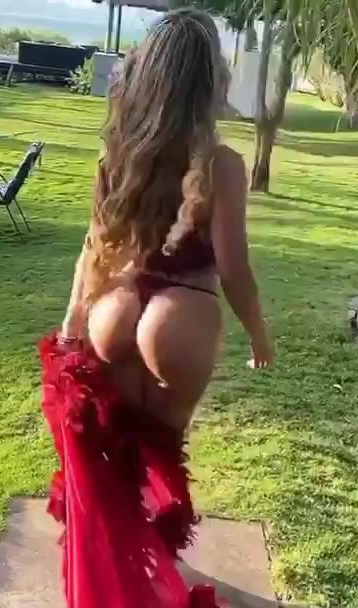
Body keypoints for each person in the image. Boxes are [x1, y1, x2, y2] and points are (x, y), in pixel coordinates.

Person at [40, 8, 274, 608]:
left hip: (113, 311)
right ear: (209, 83)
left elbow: (93, 245)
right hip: (181, 318)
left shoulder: (118, 153)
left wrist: (71, 323)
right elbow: (234, 270)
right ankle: (156, 583)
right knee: (161, 461)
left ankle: (127, 583)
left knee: (118, 460)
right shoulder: (222, 165)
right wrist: (258, 334)